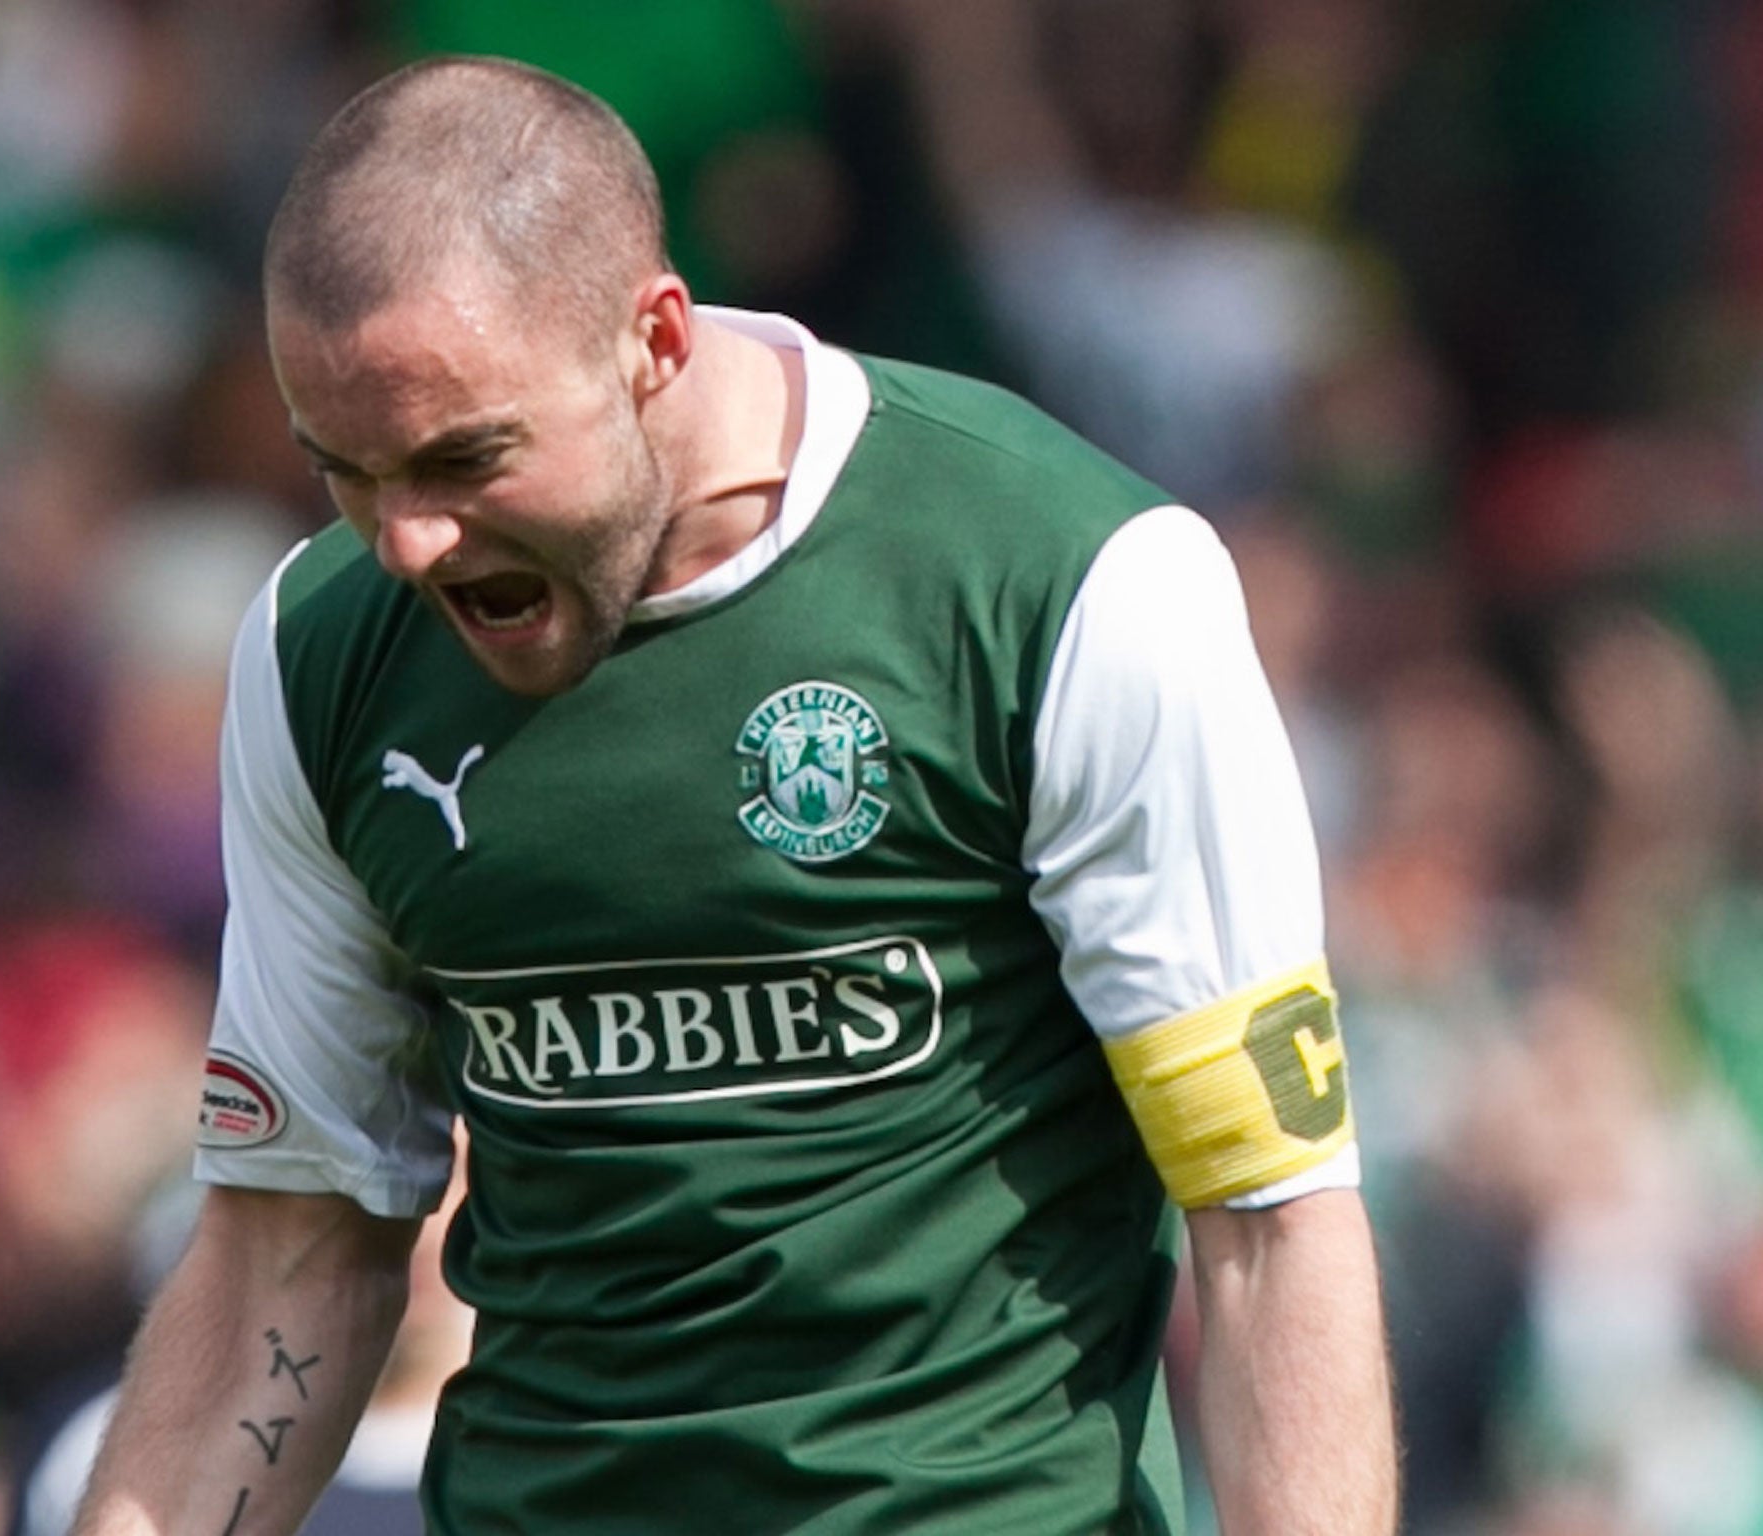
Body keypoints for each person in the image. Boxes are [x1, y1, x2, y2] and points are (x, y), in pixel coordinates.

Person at [72, 54, 1396, 1536]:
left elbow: (1268, 1224)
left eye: (464, 457)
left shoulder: (1063, 584)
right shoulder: (321, 648)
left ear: (655, 336)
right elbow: (290, 1250)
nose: (409, 541)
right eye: (345, 472)